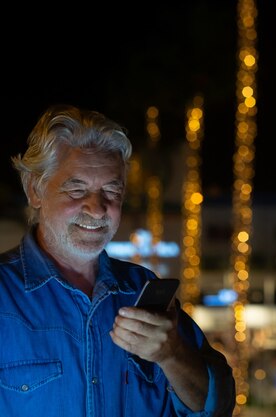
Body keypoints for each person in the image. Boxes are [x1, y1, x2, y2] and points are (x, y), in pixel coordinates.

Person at [0, 104, 236, 416]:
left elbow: (217, 406)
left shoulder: (142, 288)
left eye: (112, 191)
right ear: (34, 189)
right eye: (77, 189)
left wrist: (172, 354)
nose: (97, 209)